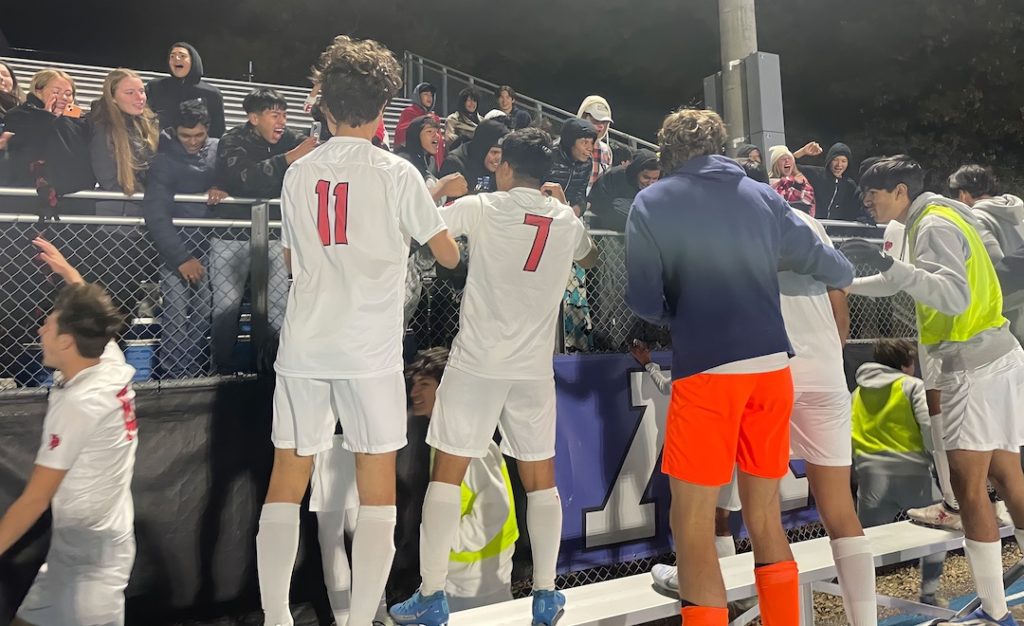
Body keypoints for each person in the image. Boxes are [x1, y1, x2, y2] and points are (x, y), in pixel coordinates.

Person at [255, 35, 459, 626]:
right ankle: (360, 618)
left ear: (323, 104)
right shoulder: (399, 174)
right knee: (378, 492)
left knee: (286, 482)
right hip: (369, 349)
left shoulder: (297, 176)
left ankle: (274, 617)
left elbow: (293, 263)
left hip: (306, 344)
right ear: (386, 107)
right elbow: (446, 256)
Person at [626, 108, 853, 626]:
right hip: (773, 367)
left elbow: (642, 299)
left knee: (694, 526)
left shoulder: (652, 201)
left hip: (707, 370)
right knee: (766, 518)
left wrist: (682, 309)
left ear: (669, 153)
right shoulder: (763, 195)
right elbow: (832, 265)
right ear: (721, 149)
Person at [390, 128, 598, 626]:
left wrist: (439, 190)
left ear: (505, 166)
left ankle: (432, 594)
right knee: (541, 481)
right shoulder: (564, 220)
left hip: (478, 362)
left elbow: (427, 228)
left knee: (446, 478)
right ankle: (547, 594)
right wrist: (565, 208)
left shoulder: (485, 206)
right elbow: (590, 256)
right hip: (531, 369)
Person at [842, 156, 1024, 626]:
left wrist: (887, 264)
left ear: (900, 191)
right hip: (999, 353)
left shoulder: (931, 226)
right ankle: (997, 608)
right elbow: (902, 281)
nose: (868, 202)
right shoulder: (938, 214)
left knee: (968, 490)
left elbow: (952, 296)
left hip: (972, 365)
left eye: (874, 194)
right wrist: (847, 282)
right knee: (1008, 475)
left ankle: (993, 611)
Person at [0, 238, 138, 626]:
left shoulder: (82, 404)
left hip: (93, 566)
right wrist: (70, 277)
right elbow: (96, 321)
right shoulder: (106, 360)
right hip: (76, 551)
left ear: (66, 340)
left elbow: (34, 500)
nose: (41, 328)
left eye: (50, 322)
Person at [212, 87, 316, 373]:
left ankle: (272, 369)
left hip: (274, 236)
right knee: (226, 310)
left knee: (277, 309)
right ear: (254, 118)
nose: (281, 121)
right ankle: (221, 374)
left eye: (284, 114)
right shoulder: (232, 139)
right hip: (229, 237)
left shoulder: (290, 139)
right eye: (274, 115)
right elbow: (243, 180)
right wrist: (287, 160)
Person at [851, 338, 945, 606]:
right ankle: (928, 595)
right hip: (913, 475)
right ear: (906, 364)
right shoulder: (912, 386)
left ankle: (861, 603)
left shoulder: (857, 393)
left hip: (870, 479)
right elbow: (928, 428)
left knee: (863, 545)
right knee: (938, 532)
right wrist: (935, 459)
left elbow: (847, 432)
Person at [143, 100, 226, 378]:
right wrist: (180, 258)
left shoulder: (217, 148)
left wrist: (220, 185)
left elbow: (230, 175)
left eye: (199, 135)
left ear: (207, 130)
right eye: (185, 136)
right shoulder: (163, 159)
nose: (193, 142)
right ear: (174, 132)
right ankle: (172, 373)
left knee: (203, 311)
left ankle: (187, 370)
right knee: (176, 313)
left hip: (207, 246)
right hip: (176, 250)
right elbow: (155, 213)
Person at [948, 164, 1024, 344]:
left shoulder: (976, 218)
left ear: (963, 194)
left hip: (1011, 319)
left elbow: (994, 272)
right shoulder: (1018, 211)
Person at [89, 67, 160, 217]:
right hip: (115, 222)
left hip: (143, 218)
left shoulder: (149, 125)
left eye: (141, 91)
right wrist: (149, 198)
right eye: (130, 93)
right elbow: (109, 179)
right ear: (113, 97)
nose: (139, 97)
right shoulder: (101, 127)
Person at [145, 42, 226, 137]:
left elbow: (218, 131)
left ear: (193, 60)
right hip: (160, 148)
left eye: (182, 56)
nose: (176, 59)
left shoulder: (212, 94)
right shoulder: (154, 87)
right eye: (172, 56)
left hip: (198, 150)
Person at [394, 115, 467, 203]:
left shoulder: (431, 161)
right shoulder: (403, 162)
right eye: (429, 131)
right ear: (416, 135)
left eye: (437, 132)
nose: (436, 136)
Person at [587, 148, 660, 232]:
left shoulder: (660, 187)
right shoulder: (613, 177)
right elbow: (597, 203)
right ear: (635, 172)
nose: (650, 183)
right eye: (646, 177)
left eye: (655, 178)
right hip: (605, 232)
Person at [437, 118, 508, 198]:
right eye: (494, 152)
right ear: (481, 149)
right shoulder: (455, 163)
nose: (499, 158)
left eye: (502, 153)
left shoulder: (502, 166)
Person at [800, 143, 865, 221]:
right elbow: (789, 167)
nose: (839, 164)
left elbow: (858, 207)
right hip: (816, 228)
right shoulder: (816, 174)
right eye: (835, 160)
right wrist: (803, 151)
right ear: (829, 160)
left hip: (837, 231)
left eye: (843, 161)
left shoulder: (850, 185)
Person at [546, 118, 597, 214]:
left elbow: (580, 195)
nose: (590, 148)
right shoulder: (548, 156)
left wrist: (576, 210)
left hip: (565, 214)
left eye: (592, 143)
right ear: (570, 141)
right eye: (585, 142)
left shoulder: (587, 163)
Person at [394, 82, 445, 165]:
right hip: (413, 159)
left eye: (431, 95)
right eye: (425, 94)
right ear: (418, 96)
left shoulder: (435, 118)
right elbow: (401, 133)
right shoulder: (409, 112)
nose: (429, 97)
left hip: (432, 162)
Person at [576, 95, 614, 189]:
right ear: (583, 117)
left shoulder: (606, 151)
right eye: (596, 120)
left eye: (605, 122)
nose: (601, 126)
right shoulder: (564, 145)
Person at [768, 144, 817, 216]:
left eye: (789, 158)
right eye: (783, 159)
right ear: (775, 164)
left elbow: (810, 205)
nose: (787, 161)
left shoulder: (802, 183)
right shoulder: (768, 184)